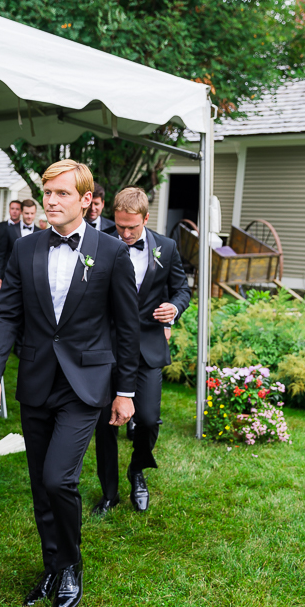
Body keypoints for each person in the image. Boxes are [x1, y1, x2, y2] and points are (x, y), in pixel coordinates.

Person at [0, 159, 139, 607]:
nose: (50, 201)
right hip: (35, 379)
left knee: (58, 478)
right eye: (47, 193)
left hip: (85, 383)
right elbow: (8, 316)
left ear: (87, 201)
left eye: (62, 193)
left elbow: (127, 328)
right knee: (38, 485)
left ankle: (71, 564)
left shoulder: (110, 252)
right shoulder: (25, 250)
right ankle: (51, 564)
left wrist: (125, 390)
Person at [93, 187, 190, 515]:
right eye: (120, 226)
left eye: (132, 227)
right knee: (106, 422)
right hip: (105, 345)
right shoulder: (100, 241)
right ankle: (109, 493)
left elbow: (181, 289)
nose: (125, 233)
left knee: (148, 419)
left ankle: (137, 469)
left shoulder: (167, 247)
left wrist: (173, 309)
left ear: (146, 219)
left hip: (147, 345)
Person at [0, 199, 41, 288]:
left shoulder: (40, 233)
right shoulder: (9, 229)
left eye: (32, 213)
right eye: (26, 213)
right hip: (10, 275)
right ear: (21, 212)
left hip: (32, 278)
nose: (29, 216)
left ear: (35, 213)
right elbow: (1, 254)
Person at [0, 199, 22, 287]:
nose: (14, 211)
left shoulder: (23, 229)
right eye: (12, 208)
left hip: (17, 273)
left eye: (17, 209)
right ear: (9, 210)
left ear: (21, 211)